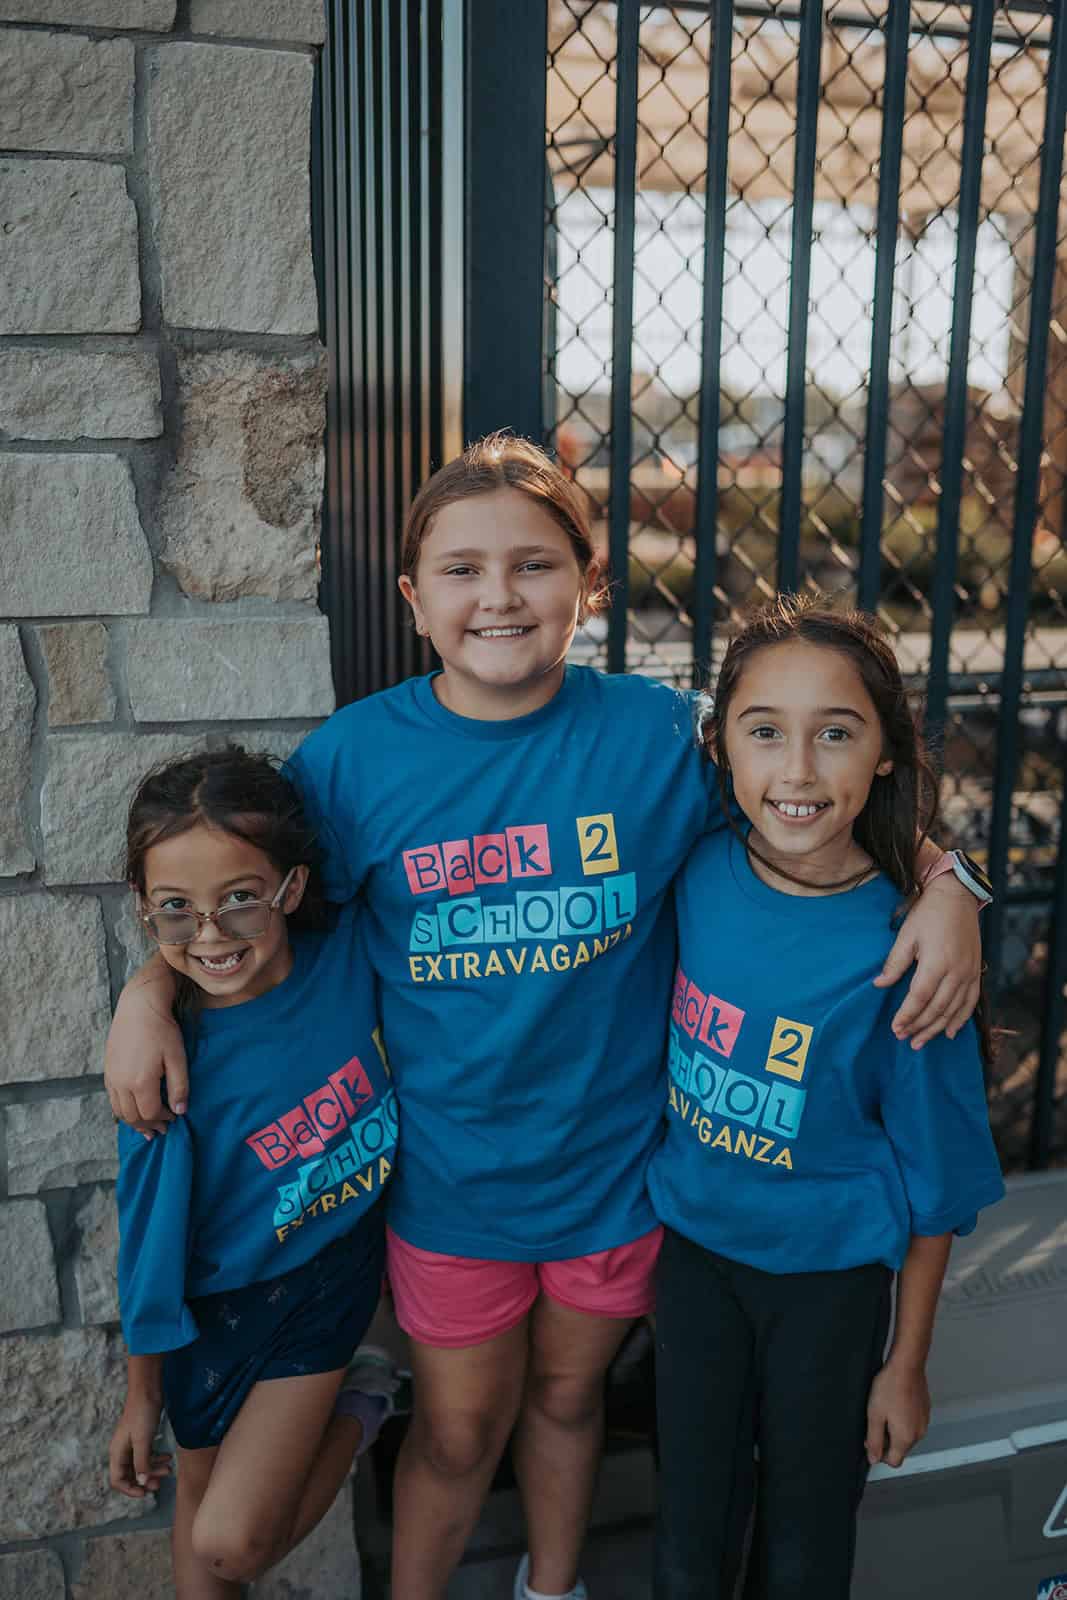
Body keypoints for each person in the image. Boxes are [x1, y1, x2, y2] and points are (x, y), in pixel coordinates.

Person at [104, 437, 985, 1600]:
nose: (500, 596)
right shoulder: (353, 763)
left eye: (532, 563)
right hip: (452, 1185)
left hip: (617, 1179)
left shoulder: (654, 739)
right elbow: (246, 907)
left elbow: (806, 790)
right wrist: (147, 987)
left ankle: (549, 1588)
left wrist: (950, 884)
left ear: (588, 580)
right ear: (416, 599)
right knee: (461, 1433)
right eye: (462, 570)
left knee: (569, 1403)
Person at [649, 598, 1005, 1600]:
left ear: (884, 752)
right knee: (686, 1527)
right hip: (691, 1262)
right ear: (720, 748)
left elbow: (936, 1194)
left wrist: (905, 1364)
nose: (796, 770)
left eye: (834, 733)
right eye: (764, 732)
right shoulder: (698, 860)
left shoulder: (905, 957)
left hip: (828, 1288)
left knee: (804, 1544)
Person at [108, 748, 399, 1598]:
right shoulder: (162, 1065)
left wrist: (145, 986)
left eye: (240, 899)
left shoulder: (350, 954)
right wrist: (141, 1398)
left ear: (293, 890)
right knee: (199, 1535)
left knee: (233, 1543)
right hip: (214, 1313)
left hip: (325, 1281)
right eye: (176, 911)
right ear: (144, 910)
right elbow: (149, 1246)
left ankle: (368, 1394)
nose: (209, 935)